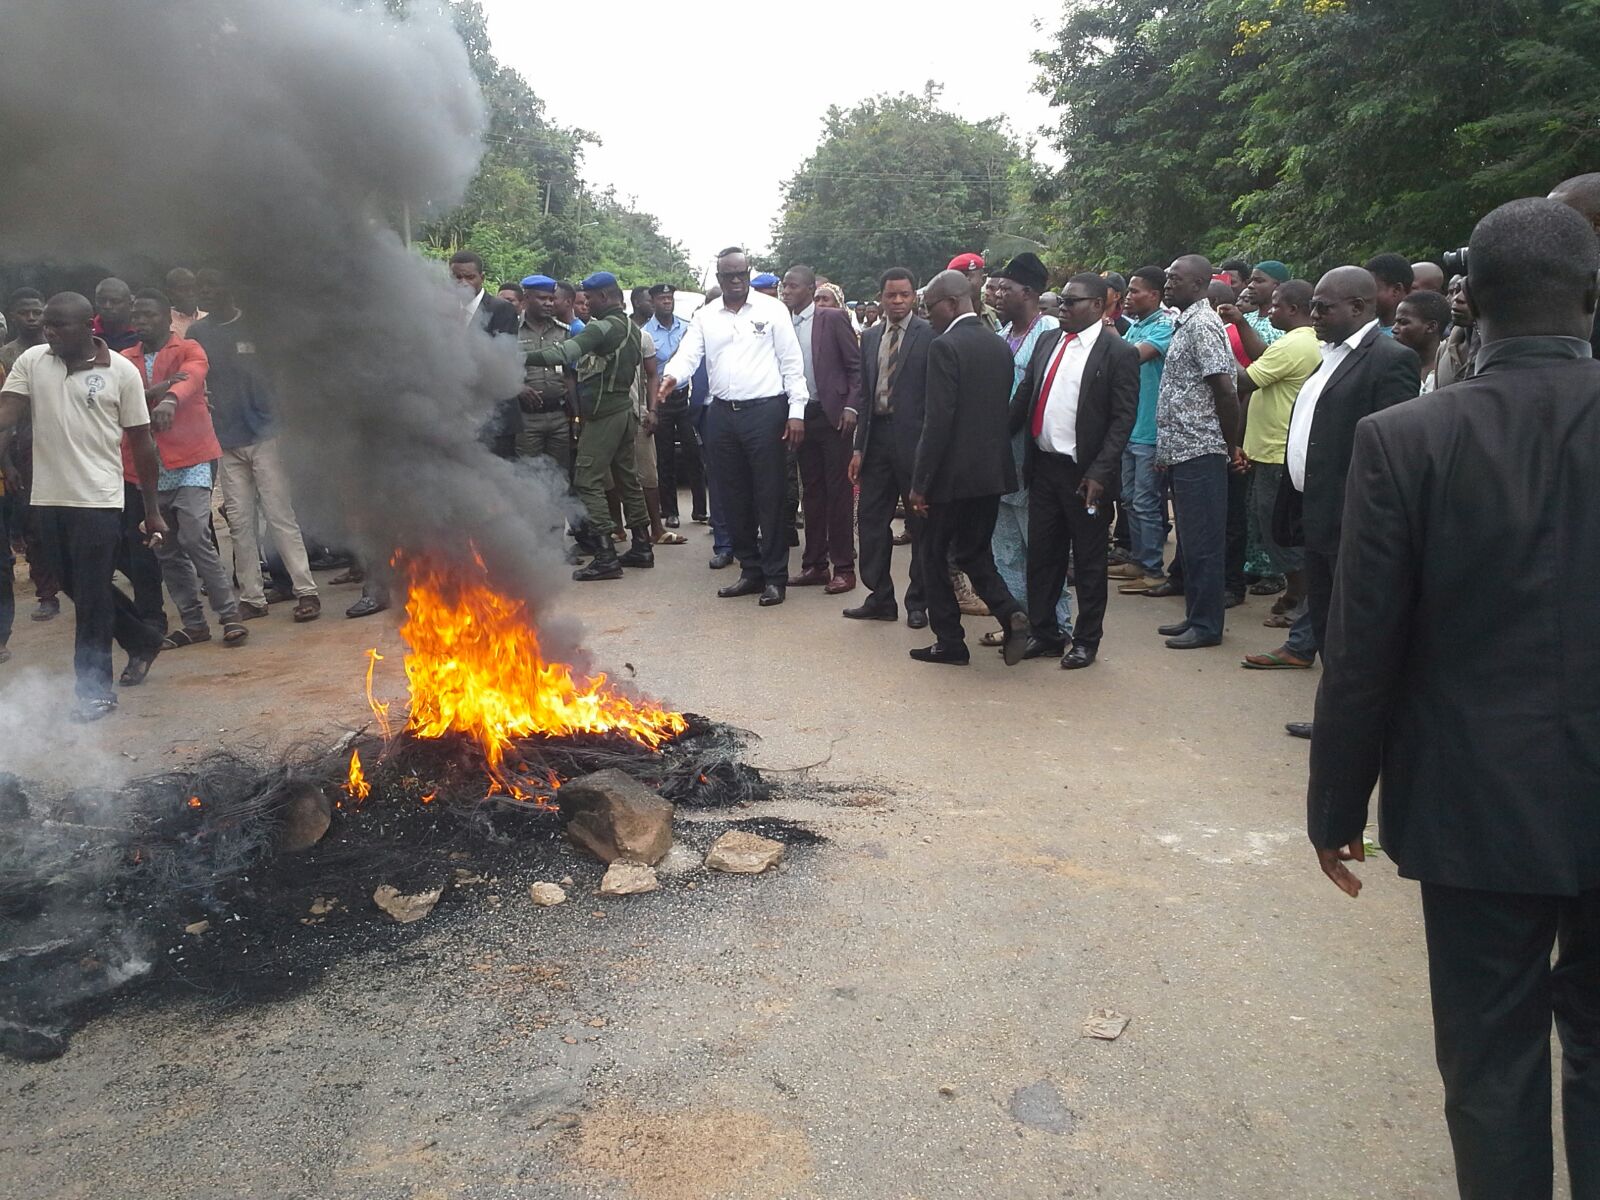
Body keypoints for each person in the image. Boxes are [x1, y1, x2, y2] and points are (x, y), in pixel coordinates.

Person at [1308, 196, 1600, 1200]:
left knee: (1489, 1062)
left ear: (1466, 300)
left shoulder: (1405, 440)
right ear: (1592, 297)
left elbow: (1363, 647)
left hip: (1475, 803)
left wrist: (1335, 809)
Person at [0, 293, 168, 720]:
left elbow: (142, 442)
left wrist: (151, 508)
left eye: (60, 325)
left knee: (92, 596)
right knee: (73, 587)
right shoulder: (34, 360)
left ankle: (94, 691)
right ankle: (141, 637)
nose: (49, 331)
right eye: (48, 325)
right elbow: (9, 411)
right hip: (47, 499)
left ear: (87, 328)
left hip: (99, 500)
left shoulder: (122, 372)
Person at [1277, 266, 1419, 737]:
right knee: (1325, 619)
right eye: (1313, 304)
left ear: (1359, 307)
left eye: (1324, 306)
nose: (1313, 314)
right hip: (1314, 512)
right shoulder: (1328, 355)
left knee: (1352, 630)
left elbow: (1391, 450)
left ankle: (1353, 724)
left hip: (1352, 520)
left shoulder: (1389, 359)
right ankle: (1336, 714)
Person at [659, 248, 808, 606]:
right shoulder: (706, 316)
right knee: (731, 495)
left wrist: (797, 409)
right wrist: (672, 376)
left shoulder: (773, 310)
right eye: (729, 275)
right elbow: (689, 353)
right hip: (722, 415)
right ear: (718, 278)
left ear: (749, 272)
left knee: (769, 495)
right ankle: (751, 570)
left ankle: (775, 576)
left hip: (766, 411)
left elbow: (791, 361)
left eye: (742, 273)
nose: (736, 280)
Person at [1009, 271, 1139, 669]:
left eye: (1071, 302)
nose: (1061, 308)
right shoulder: (1049, 342)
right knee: (1042, 557)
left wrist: (1100, 472)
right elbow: (1026, 397)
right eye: (1061, 301)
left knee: (1088, 561)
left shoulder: (1117, 352)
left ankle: (1086, 639)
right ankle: (1045, 633)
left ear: (1099, 306)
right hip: (1045, 467)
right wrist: (995, 438)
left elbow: (1122, 420)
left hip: (1086, 476)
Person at [906, 269, 1030, 665]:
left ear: (953, 303)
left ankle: (950, 642)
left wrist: (920, 483)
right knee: (976, 554)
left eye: (930, 309)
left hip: (950, 478)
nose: (928, 317)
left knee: (933, 554)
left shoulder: (945, 347)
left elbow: (937, 421)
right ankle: (1011, 612)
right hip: (991, 473)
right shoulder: (998, 346)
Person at [189, 268, 321, 622]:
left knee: (280, 516)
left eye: (212, 285)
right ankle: (252, 597)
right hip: (226, 440)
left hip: (266, 436)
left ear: (230, 290)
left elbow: (281, 377)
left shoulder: (257, 327)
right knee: (239, 522)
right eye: (202, 287)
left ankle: (306, 591)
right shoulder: (197, 333)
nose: (206, 292)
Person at [121, 289, 247, 649]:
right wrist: (161, 389)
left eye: (149, 315)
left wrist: (169, 396)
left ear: (167, 318)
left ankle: (229, 616)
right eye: (137, 316)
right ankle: (194, 623)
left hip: (191, 457)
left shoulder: (188, 348)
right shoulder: (124, 359)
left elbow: (191, 376)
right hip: (147, 466)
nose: (141, 322)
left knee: (194, 535)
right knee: (166, 548)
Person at [524, 272, 652, 581]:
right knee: (627, 479)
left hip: (604, 414)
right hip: (623, 411)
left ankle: (606, 554)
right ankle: (642, 545)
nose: (586, 304)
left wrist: (520, 355)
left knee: (586, 478)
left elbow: (564, 353)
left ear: (604, 298)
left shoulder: (603, 327)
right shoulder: (631, 328)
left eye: (590, 298)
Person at [1153, 254, 1241, 649]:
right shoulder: (1185, 321)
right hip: (1181, 448)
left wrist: (1230, 443)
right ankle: (1195, 616)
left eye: (1176, 278)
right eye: (1168, 278)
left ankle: (1207, 627)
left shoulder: (1204, 325)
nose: (1168, 284)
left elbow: (1226, 389)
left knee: (1204, 543)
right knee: (1190, 541)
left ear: (1200, 283)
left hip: (1201, 448)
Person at [1235, 280, 1322, 671]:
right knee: (1272, 529)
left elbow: (1246, 379)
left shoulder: (1297, 343)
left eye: (1276, 307)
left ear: (1295, 308)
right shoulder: (1295, 343)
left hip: (1276, 452)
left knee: (1278, 532)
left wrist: (1216, 352)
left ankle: (1302, 601)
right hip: (1270, 449)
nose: (1270, 312)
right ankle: (1295, 597)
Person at [846, 268, 932, 627]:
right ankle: (880, 596)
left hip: (915, 442)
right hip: (876, 438)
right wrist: (857, 448)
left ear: (914, 297)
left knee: (920, 523)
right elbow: (865, 395)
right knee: (870, 519)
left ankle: (918, 602)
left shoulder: (930, 335)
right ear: (880, 296)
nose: (897, 301)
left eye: (904, 295)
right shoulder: (869, 337)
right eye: (890, 295)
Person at [990, 253, 1068, 648]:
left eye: (1007, 288)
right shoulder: (1003, 335)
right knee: (1003, 547)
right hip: (999, 453)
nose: (998, 294)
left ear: (1030, 292)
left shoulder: (1050, 331)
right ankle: (1016, 621)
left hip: (1032, 454)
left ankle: (1055, 624)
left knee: (1040, 546)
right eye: (997, 287)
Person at [781, 265, 862, 594]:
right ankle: (815, 564)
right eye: (783, 286)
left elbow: (856, 368)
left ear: (809, 289)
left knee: (838, 493)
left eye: (792, 285)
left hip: (833, 417)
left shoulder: (831, 318)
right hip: (800, 416)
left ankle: (844, 567)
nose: (785, 291)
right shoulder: (781, 323)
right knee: (811, 493)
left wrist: (851, 407)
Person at [1109, 266, 1175, 595]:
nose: (1129, 296)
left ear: (1155, 294)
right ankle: (1138, 559)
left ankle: (1153, 570)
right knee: (1131, 500)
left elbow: (1131, 358)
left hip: (1150, 430)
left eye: (1136, 291)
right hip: (1130, 427)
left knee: (1147, 502)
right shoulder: (1137, 326)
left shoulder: (1164, 326)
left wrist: (1107, 337)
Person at [0, 288, 60, 623]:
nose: (33, 318)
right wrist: (6, 463)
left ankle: (73, 586)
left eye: (38, 312)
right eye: (26, 312)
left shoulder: (61, 348)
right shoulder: (7, 356)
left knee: (69, 519)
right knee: (34, 524)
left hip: (63, 444)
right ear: (14, 314)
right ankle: (47, 595)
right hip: (25, 449)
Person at [449, 250, 522, 460]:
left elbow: (498, 361)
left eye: (469, 277)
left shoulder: (502, 310)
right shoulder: (444, 308)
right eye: (457, 277)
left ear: (482, 277)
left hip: (496, 415)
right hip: (458, 415)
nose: (463, 283)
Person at [644, 284, 702, 528]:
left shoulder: (686, 328)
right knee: (665, 456)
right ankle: (671, 512)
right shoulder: (646, 333)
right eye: (662, 298)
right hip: (661, 400)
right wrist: (652, 407)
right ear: (653, 302)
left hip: (685, 397)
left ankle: (701, 510)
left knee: (694, 452)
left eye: (670, 298)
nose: (667, 302)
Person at [623, 286, 673, 547]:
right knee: (615, 478)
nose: (654, 303)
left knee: (648, 473)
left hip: (638, 413)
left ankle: (656, 527)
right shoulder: (600, 334)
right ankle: (622, 530)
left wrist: (652, 410)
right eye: (647, 300)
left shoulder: (642, 338)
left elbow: (652, 375)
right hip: (610, 416)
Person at [513, 275, 574, 473]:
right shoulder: (513, 330)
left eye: (551, 298)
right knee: (528, 476)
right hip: (527, 419)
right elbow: (499, 368)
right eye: (542, 298)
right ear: (527, 298)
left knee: (560, 476)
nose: (549, 303)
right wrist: (518, 388)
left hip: (559, 416)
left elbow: (570, 374)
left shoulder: (563, 332)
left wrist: (576, 416)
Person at [1223, 260, 1289, 360]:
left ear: (1277, 286)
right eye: (1251, 281)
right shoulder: (1245, 317)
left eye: (1259, 281)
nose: (1250, 285)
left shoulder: (1284, 325)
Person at [1392, 288, 1451, 392]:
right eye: (1396, 322)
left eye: (1403, 322)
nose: (1394, 329)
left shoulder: (1453, 366)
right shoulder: (1389, 365)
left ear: (1431, 327)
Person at [1435, 275, 1478, 388]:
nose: (1457, 298)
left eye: (1469, 292)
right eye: (1456, 290)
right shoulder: (1444, 350)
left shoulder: (1502, 350)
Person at [1363, 253, 1413, 334]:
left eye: (1371, 290)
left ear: (1396, 290)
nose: (1365, 297)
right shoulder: (1364, 334)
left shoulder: (1411, 336)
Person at [92, 278, 139, 352]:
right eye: (101, 300)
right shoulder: (87, 332)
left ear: (130, 304)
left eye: (115, 301)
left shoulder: (142, 331)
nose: (107, 306)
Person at [164, 268, 206, 338]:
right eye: (184, 289)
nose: (191, 293)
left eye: (194, 288)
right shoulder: (164, 324)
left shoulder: (208, 318)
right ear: (170, 293)